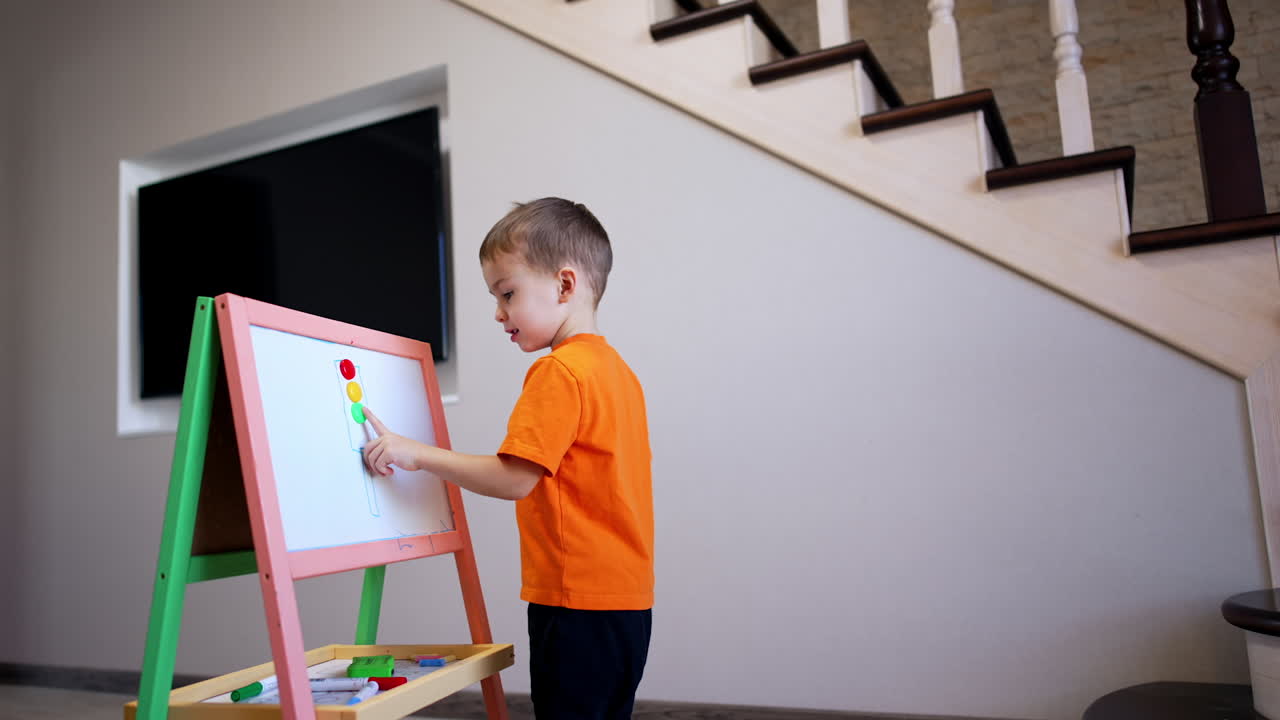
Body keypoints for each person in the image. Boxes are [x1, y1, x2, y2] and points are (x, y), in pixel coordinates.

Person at [361, 197, 654, 719]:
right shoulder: (619, 373)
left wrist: (417, 454)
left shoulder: (558, 372)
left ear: (565, 286)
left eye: (507, 293)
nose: (498, 313)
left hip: (574, 602)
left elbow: (515, 478)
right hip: (628, 602)